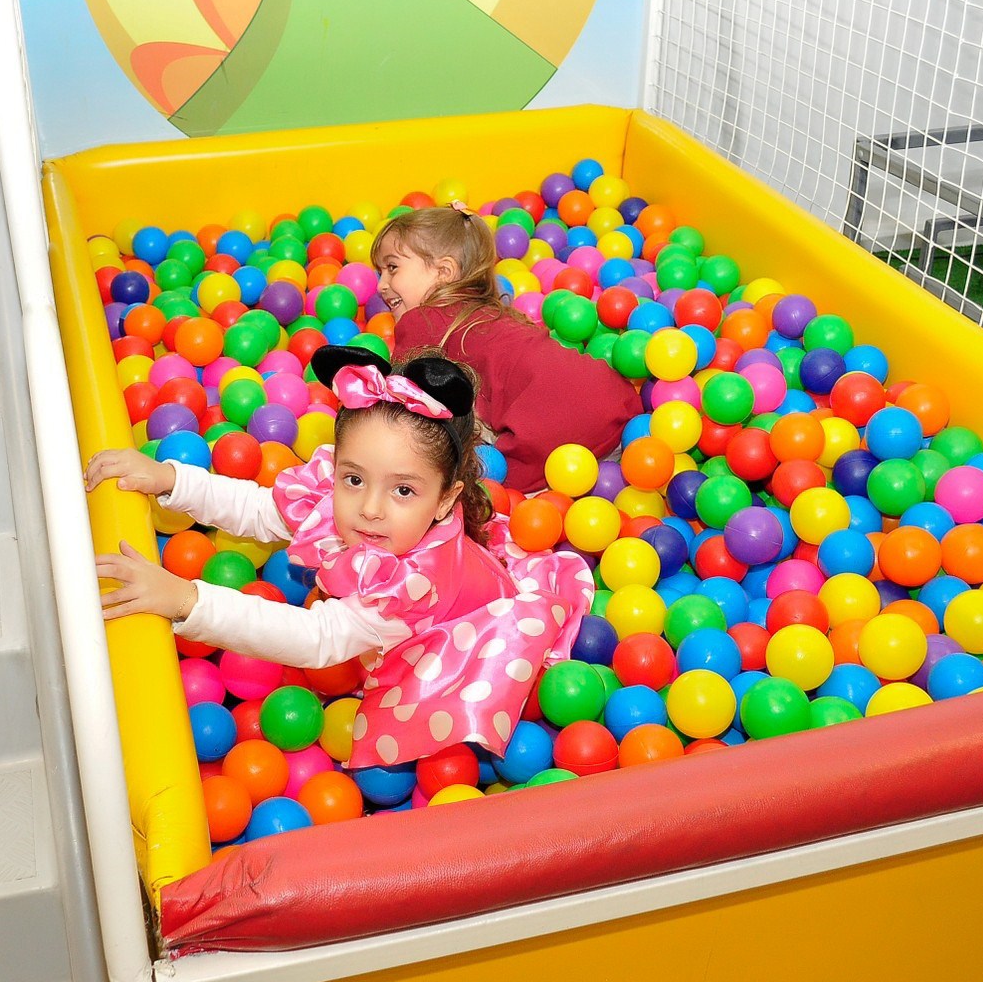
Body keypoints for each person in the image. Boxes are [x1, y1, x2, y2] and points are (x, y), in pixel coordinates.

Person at [86, 346, 594, 768]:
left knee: (445, 739)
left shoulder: (412, 586)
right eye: (354, 479)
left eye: (402, 491)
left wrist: (186, 600)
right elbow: (264, 510)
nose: (369, 509)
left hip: (465, 644)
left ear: (445, 501)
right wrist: (171, 479)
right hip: (429, 596)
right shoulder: (354, 510)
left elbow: (316, 639)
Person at [376, 204, 643, 492]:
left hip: (548, 433)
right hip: (619, 408)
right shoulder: (498, 314)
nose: (381, 285)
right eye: (379, 272)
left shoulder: (421, 320)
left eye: (392, 268)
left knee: (475, 486)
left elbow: (400, 403)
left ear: (444, 271)